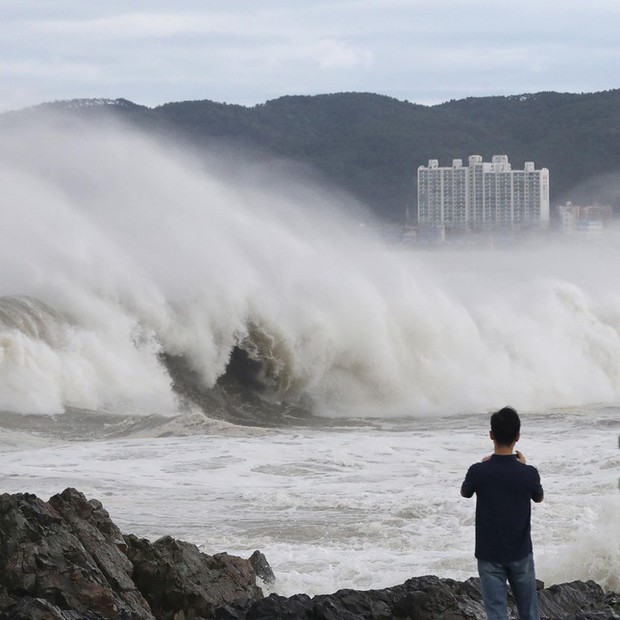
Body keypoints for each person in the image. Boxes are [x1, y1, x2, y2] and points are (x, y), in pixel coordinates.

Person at [461, 406, 544, 620]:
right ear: (518, 437)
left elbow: (465, 492)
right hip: (521, 553)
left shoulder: (478, 472)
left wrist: (483, 465)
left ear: (491, 435)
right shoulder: (529, 474)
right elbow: (539, 496)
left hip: (489, 554)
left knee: (496, 614)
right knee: (529, 613)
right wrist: (523, 466)